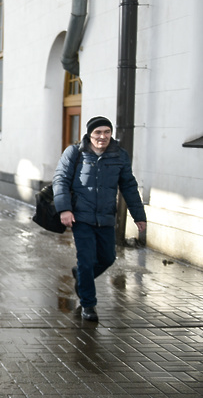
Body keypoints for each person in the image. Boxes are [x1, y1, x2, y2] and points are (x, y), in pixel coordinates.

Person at [52, 116, 147, 322]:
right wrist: (65, 209)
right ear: (89, 134)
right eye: (98, 132)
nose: (102, 136)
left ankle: (81, 276)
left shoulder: (119, 155)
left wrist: (138, 215)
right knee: (86, 261)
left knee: (107, 258)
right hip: (81, 217)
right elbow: (60, 180)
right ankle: (88, 304)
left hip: (105, 217)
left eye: (106, 132)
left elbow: (129, 186)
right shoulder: (75, 153)